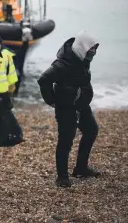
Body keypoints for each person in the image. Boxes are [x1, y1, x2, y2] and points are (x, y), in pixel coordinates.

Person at [37, 30, 100, 188]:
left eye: (95, 49)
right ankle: (62, 177)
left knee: (91, 130)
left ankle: (80, 168)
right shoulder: (62, 64)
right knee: (66, 141)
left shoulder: (83, 58)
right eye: (91, 49)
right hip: (66, 107)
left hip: (82, 105)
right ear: (82, 47)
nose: (94, 52)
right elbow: (43, 80)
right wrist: (51, 101)